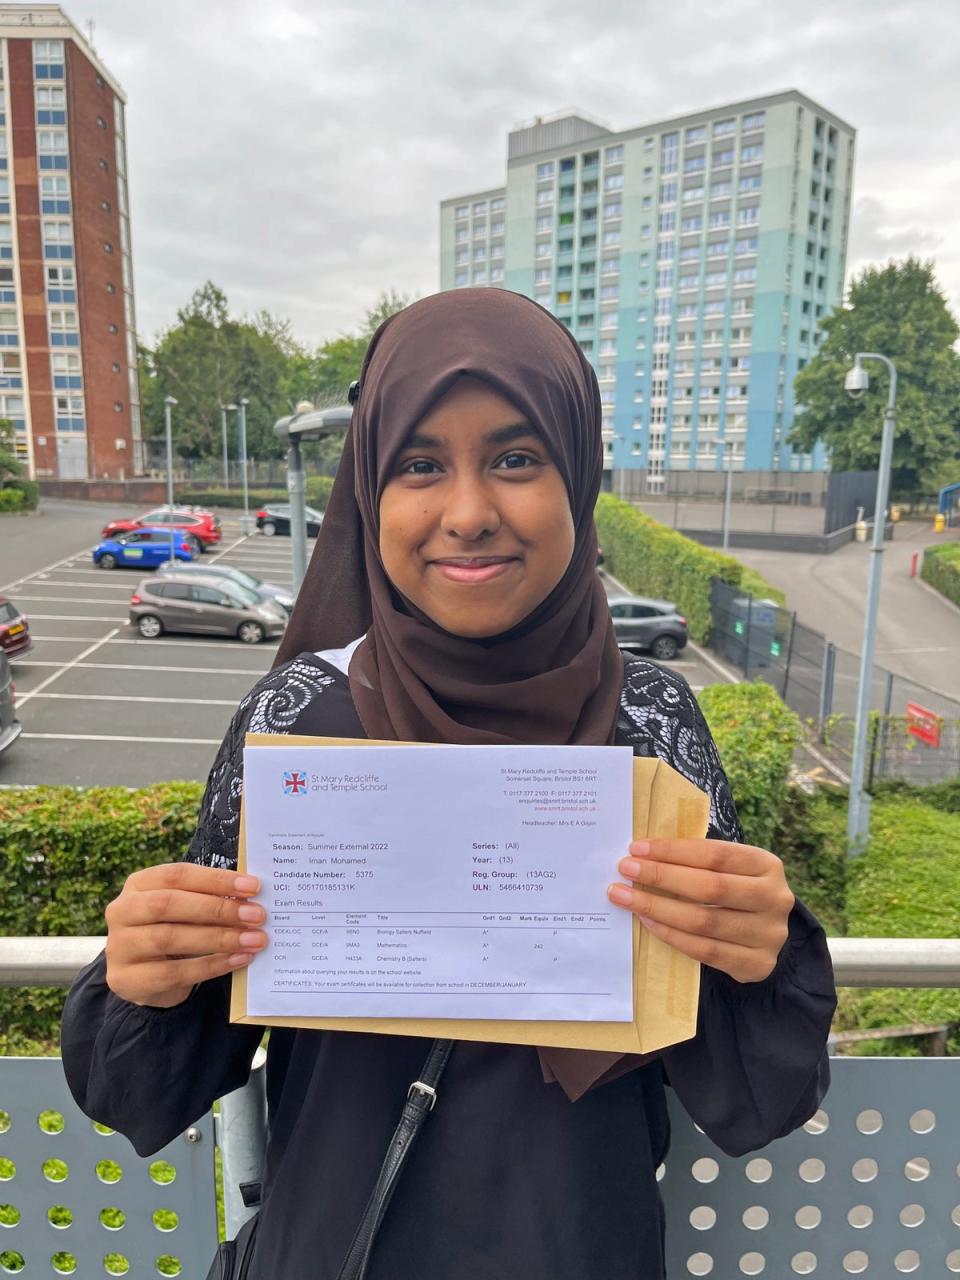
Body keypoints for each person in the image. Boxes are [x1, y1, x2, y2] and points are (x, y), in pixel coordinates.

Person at [61, 288, 835, 1280]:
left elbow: (758, 1095)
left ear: (579, 474)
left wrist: (756, 956)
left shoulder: (648, 725)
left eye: (516, 458)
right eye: (420, 464)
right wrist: (149, 976)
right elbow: (140, 1091)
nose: (468, 513)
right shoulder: (302, 716)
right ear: (369, 491)